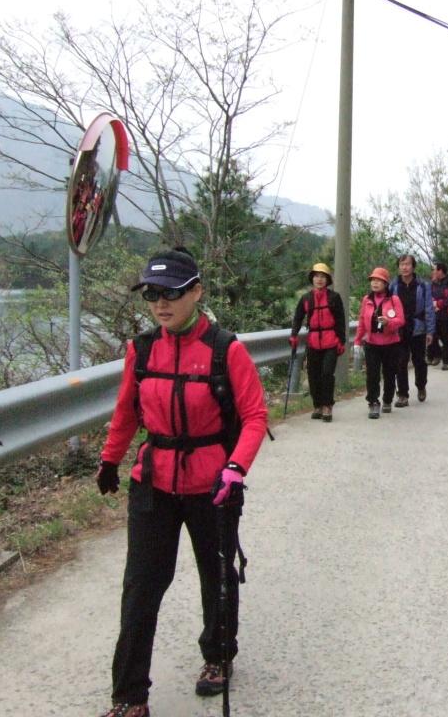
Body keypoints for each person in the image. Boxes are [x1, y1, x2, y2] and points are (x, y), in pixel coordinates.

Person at [95, 247, 270, 717]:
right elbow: (127, 411)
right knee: (141, 587)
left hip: (213, 485)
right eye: (151, 294)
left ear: (196, 292)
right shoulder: (142, 348)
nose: (160, 303)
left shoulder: (224, 348)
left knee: (217, 576)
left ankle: (217, 656)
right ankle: (130, 696)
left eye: (170, 292)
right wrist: (110, 461)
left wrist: (236, 469)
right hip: (153, 482)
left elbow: (254, 416)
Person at [289, 262, 347, 422]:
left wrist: (341, 341)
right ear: (312, 279)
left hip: (331, 341)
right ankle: (318, 405)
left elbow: (341, 321)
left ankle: (327, 405)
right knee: (313, 375)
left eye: (322, 276)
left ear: (327, 280)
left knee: (327, 374)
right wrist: (294, 335)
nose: (319, 279)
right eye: (316, 276)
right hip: (313, 342)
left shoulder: (334, 298)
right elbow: (298, 318)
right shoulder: (306, 299)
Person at [354, 267, 406, 419]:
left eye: (378, 280)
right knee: (372, 375)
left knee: (389, 374)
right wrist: (358, 340)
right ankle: (373, 403)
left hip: (391, 343)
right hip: (372, 343)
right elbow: (362, 321)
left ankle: (387, 400)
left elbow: (401, 320)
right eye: (373, 280)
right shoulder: (367, 300)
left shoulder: (394, 299)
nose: (375, 283)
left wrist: (388, 322)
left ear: (385, 283)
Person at [389, 254, 435, 406]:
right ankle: (403, 394)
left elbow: (429, 308)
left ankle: (421, 386)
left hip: (418, 328)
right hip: (399, 329)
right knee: (400, 362)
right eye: (402, 264)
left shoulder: (423, 285)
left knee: (419, 361)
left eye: (407, 264)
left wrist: (430, 331)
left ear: (413, 266)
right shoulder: (393, 286)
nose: (404, 267)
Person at [428, 261, 448, 370]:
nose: (433, 272)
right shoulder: (434, 283)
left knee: (447, 338)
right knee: (433, 336)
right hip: (435, 314)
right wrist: (433, 303)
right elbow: (430, 295)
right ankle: (437, 354)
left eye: (435, 269)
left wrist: (440, 304)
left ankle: (447, 361)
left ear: (441, 271)